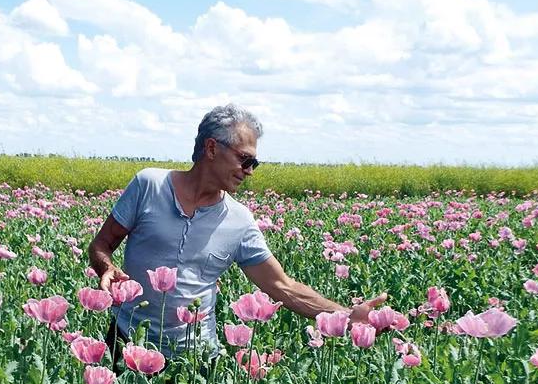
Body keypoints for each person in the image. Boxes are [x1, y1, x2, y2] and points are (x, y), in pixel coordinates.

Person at [87, 103, 387, 359]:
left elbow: (282, 287)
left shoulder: (239, 221)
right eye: (245, 159)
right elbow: (102, 244)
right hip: (127, 343)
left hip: (196, 359)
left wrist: (346, 316)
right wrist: (106, 267)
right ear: (212, 147)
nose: (250, 170)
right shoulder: (148, 185)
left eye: (255, 163)